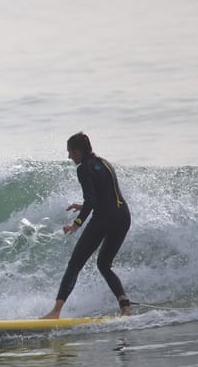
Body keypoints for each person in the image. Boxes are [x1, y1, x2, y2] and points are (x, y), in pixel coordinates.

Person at [43, 132, 132, 318]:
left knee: (75, 263)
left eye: (70, 152)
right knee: (104, 264)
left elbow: (91, 200)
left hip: (104, 219)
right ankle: (125, 306)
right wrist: (83, 206)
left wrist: (76, 224)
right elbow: (107, 196)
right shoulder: (104, 163)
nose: (69, 157)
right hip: (123, 216)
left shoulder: (83, 168)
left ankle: (56, 312)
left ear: (77, 151)